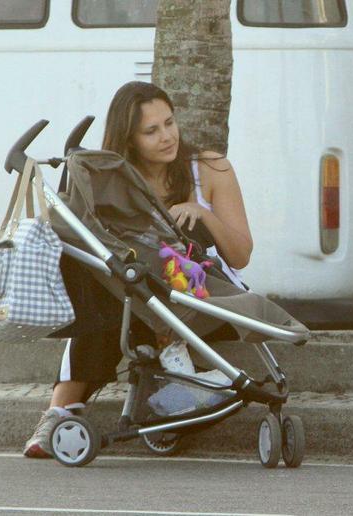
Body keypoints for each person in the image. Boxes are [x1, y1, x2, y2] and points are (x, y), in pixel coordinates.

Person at [23, 81, 253, 458]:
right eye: (152, 131)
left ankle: (163, 396)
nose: (167, 136)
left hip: (205, 295)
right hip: (137, 297)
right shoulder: (113, 180)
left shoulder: (209, 169)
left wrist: (204, 213)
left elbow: (241, 254)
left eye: (169, 123)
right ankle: (59, 411)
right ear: (129, 140)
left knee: (180, 242)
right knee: (103, 292)